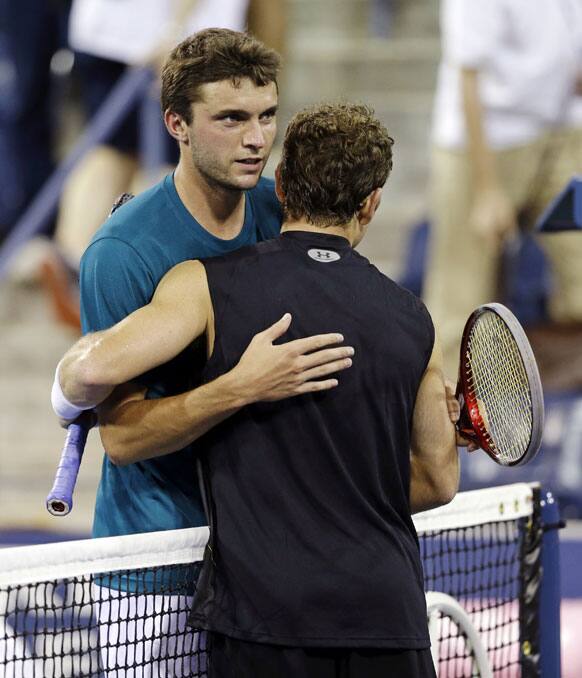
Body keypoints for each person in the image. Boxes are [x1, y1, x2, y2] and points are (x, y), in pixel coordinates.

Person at [55, 102, 462, 677]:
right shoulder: (414, 319)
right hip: (387, 616)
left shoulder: (204, 286)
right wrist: (349, 490)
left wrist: (66, 386)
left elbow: (97, 375)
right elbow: (438, 479)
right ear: (372, 203)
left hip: (267, 620)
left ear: (282, 189)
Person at [51, 29, 351, 676]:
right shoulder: (122, 253)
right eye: (232, 119)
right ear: (177, 125)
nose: (256, 139)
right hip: (155, 567)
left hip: (265, 553)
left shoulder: (284, 212)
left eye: (267, 116)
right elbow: (125, 438)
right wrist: (241, 387)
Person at [425, 0, 582, 376]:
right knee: (460, 306)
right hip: (480, 142)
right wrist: (485, 189)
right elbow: (467, 76)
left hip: (559, 132)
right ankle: (449, 427)